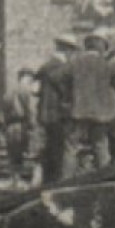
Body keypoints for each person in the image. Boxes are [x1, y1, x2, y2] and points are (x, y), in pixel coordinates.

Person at [68, 33, 115, 171]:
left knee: (72, 146)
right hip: (102, 114)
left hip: (78, 111)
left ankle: (66, 180)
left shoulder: (74, 63)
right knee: (101, 144)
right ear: (101, 47)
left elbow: (56, 77)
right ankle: (106, 178)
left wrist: (68, 94)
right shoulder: (108, 65)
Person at [35, 35, 77, 184]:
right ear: (67, 50)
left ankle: (47, 181)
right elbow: (65, 93)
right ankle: (58, 183)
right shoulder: (63, 68)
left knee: (49, 149)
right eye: (72, 51)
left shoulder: (45, 66)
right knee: (60, 151)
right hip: (58, 115)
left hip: (44, 114)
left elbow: (37, 91)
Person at [0, 69, 38, 187]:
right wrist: (33, 125)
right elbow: (30, 110)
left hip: (10, 126)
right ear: (25, 77)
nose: (31, 81)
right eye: (30, 78)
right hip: (22, 126)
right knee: (28, 153)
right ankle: (31, 181)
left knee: (13, 154)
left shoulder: (8, 92)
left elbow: (4, 111)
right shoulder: (25, 90)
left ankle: (15, 179)